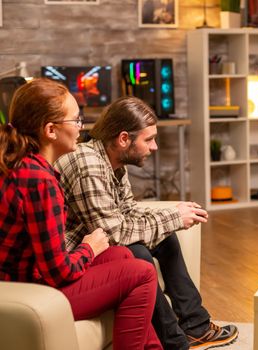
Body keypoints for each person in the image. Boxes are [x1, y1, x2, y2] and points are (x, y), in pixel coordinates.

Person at [55, 96, 238, 350]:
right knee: (138, 251)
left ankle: (195, 326)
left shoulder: (115, 161)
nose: (154, 147)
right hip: (76, 255)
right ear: (123, 139)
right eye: (148, 139)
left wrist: (171, 218)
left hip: (100, 241)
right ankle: (174, 342)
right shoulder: (89, 164)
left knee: (165, 237)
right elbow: (115, 233)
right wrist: (173, 217)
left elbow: (128, 211)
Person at [0, 78, 162, 350]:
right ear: (51, 130)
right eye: (76, 120)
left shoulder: (23, 163)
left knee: (122, 254)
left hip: (31, 278)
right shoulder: (38, 180)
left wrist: (94, 250)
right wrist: (88, 248)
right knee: (143, 273)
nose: (81, 127)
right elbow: (58, 273)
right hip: (25, 289)